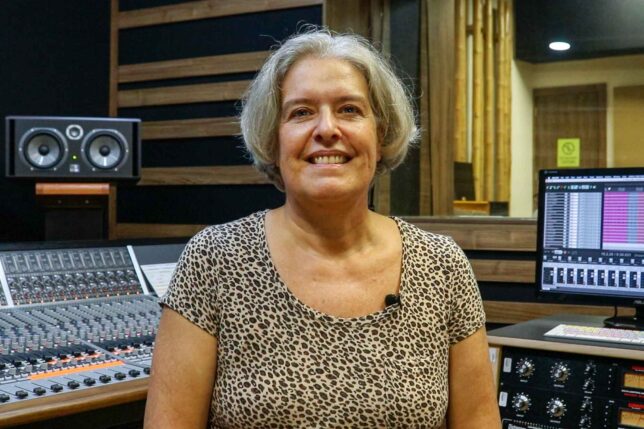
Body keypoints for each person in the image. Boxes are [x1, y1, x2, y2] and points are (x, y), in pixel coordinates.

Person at [144, 28, 501, 429]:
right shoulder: (214, 260)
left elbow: (479, 421)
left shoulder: (442, 265)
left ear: (381, 134)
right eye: (301, 112)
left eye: (349, 109)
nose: (327, 129)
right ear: (273, 139)